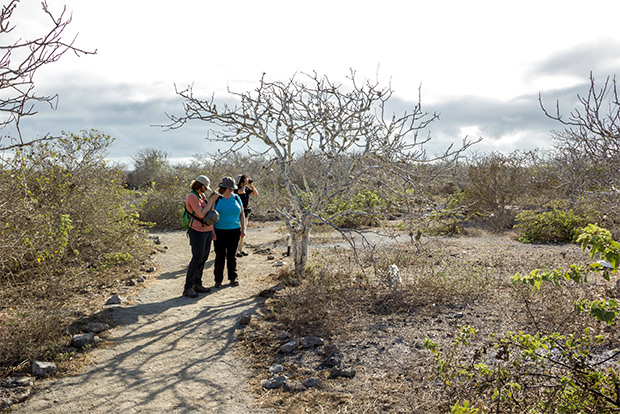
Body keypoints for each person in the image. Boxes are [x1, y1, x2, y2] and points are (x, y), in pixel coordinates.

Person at [183, 175, 219, 298]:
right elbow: (201, 213)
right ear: (201, 185)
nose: (206, 189)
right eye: (205, 187)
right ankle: (187, 287)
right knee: (197, 258)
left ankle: (197, 284)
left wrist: (212, 201)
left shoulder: (202, 196)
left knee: (203, 258)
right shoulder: (192, 196)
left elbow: (211, 213)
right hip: (197, 232)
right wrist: (211, 201)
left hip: (207, 231)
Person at [213, 176, 246, 288]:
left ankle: (233, 277)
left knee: (232, 256)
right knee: (220, 256)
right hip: (219, 231)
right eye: (229, 188)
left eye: (232, 188)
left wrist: (243, 228)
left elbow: (242, 214)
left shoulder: (236, 197)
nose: (231, 190)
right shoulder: (217, 199)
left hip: (234, 231)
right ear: (223, 188)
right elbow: (211, 216)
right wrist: (212, 232)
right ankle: (218, 280)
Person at [235, 174, 258, 257]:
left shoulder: (246, 188)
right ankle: (235, 250)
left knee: (243, 232)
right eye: (245, 179)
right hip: (237, 213)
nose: (247, 179)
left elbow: (256, 193)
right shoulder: (236, 188)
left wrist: (251, 185)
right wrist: (244, 184)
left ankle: (240, 249)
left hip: (245, 212)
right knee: (238, 232)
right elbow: (241, 192)